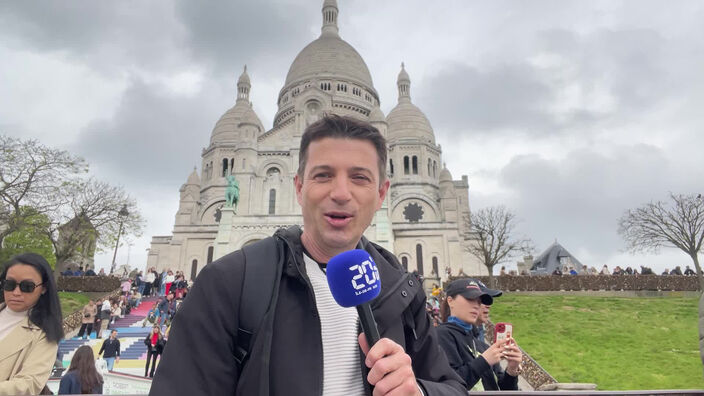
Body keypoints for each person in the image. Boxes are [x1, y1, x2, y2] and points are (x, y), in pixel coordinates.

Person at [150, 115, 466, 395]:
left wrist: (418, 392)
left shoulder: (399, 287)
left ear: (382, 193)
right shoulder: (229, 283)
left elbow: (452, 387)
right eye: (323, 175)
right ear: (298, 187)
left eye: (359, 177)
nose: (341, 193)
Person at [436, 279, 522, 391]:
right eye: (470, 299)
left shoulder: (482, 346)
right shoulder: (441, 335)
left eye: (478, 301)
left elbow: (505, 391)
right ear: (450, 301)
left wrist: (512, 370)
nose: (477, 305)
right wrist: (484, 361)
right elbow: (448, 387)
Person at [0, 253, 64, 395]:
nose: (16, 292)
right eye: (9, 284)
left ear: (44, 288)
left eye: (27, 286)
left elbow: (29, 384)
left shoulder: (44, 333)